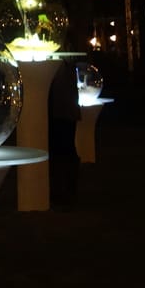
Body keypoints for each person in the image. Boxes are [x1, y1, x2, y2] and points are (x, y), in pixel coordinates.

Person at [48, 58, 81, 209]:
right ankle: (64, 190)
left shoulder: (63, 62)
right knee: (63, 150)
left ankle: (64, 190)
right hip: (63, 111)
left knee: (63, 150)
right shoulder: (66, 63)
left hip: (61, 111)